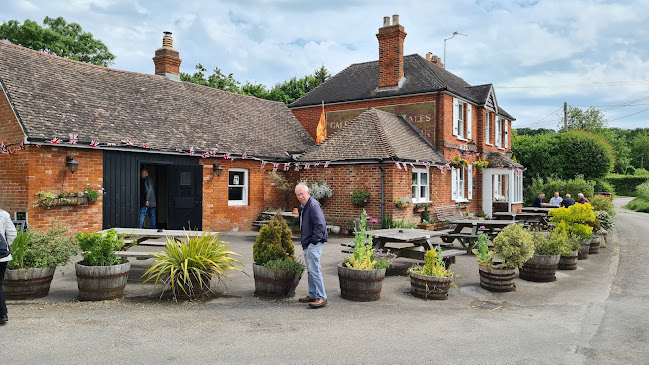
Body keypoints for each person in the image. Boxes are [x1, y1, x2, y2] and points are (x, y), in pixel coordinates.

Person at [295, 183, 328, 308]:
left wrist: (313, 242)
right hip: (307, 243)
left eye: (302, 194)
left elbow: (320, 225)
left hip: (313, 243)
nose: (300, 197)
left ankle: (322, 297)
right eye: (298, 195)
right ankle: (313, 294)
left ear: (308, 193)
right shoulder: (303, 206)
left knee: (315, 269)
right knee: (311, 270)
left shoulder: (313, 205)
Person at [0, 208, 17, 325]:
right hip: (2, 256)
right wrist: (5, 246)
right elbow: (12, 234)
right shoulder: (4, 214)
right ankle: (3, 314)